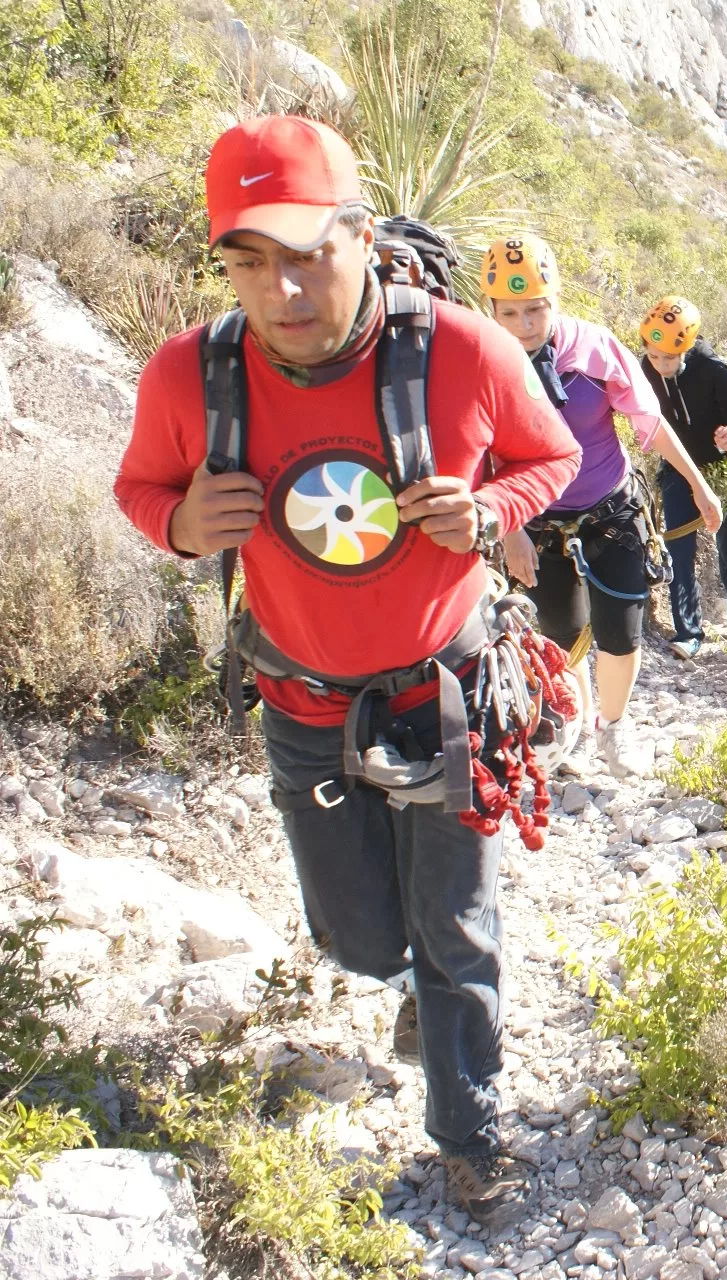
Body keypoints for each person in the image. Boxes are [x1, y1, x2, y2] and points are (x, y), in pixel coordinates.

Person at [113, 116, 581, 1227]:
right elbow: (138, 488)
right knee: (360, 938)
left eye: (306, 253)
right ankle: (409, 978)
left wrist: (491, 509)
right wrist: (180, 521)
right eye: (247, 260)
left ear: (361, 236)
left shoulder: (462, 350)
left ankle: (472, 1134)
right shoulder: (194, 374)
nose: (282, 289)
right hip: (302, 703)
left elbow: (549, 452)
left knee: (457, 924)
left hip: (445, 692)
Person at [482, 234, 723, 774]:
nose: (524, 325)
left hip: (610, 511)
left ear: (556, 300)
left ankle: (612, 728)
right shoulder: (484, 365)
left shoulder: (593, 349)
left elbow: (648, 422)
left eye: (536, 310)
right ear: (490, 310)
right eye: (510, 313)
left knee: (620, 630)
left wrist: (699, 486)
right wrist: (510, 530)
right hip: (535, 520)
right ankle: (573, 722)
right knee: (559, 636)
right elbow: (478, 454)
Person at [638, 296, 727, 658]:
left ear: (686, 348)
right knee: (678, 549)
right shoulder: (647, 369)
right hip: (679, 466)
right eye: (654, 356)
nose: (661, 365)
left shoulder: (713, 370)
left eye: (669, 358)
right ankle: (688, 631)